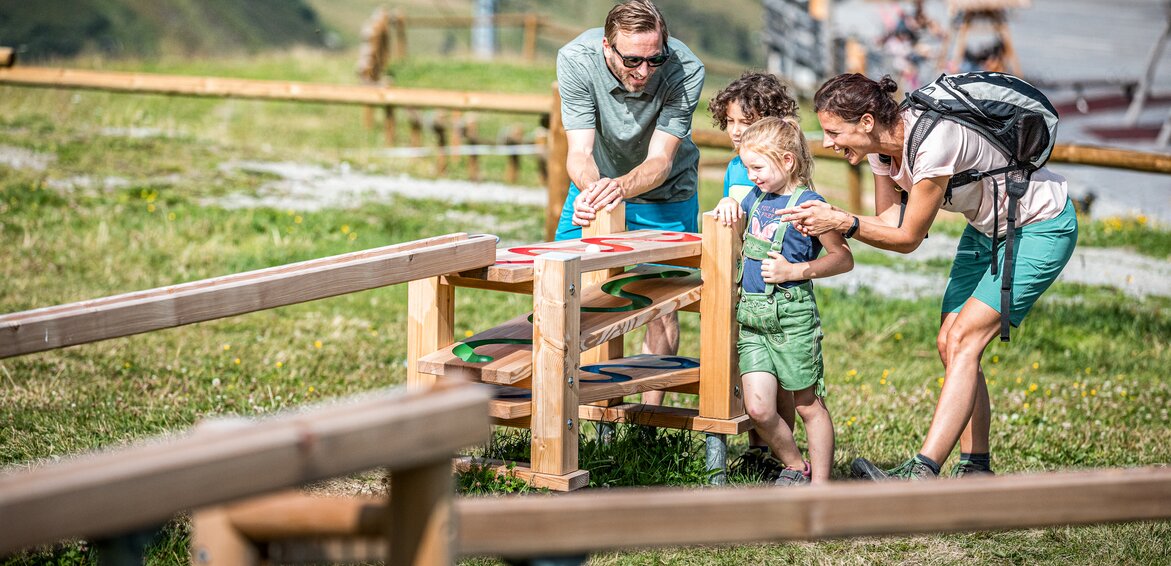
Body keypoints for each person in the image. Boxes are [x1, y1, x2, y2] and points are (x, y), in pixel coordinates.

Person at [780, 73, 1078, 480]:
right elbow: (889, 218)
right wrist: (830, 221)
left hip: (1040, 225)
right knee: (948, 342)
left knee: (964, 339)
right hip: (988, 227)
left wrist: (841, 220)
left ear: (867, 122)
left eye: (834, 132)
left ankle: (921, 472)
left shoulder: (934, 140)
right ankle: (976, 469)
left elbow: (908, 238)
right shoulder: (881, 151)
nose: (829, 142)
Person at [554, 0, 704, 405]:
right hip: (597, 184)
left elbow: (659, 162)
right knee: (561, 288)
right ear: (607, 46)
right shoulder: (575, 59)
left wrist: (616, 188)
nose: (643, 72)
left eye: (654, 59)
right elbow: (579, 154)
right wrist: (593, 190)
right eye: (633, 60)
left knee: (662, 303)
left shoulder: (685, 69)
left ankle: (646, 421)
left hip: (666, 195)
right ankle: (578, 407)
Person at [712, 117, 854, 486]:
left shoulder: (810, 206)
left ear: (787, 161)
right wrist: (729, 200)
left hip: (792, 317)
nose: (751, 174)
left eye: (757, 167)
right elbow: (734, 213)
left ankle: (819, 487)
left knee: (808, 405)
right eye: (746, 167)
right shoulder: (754, 199)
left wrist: (796, 271)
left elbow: (843, 258)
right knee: (758, 407)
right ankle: (794, 465)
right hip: (753, 320)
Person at [708, 72, 801, 479]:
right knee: (752, 365)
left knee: (782, 376)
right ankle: (758, 449)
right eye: (729, 122)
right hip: (746, 281)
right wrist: (728, 202)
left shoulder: (785, 164)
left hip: (780, 285)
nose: (734, 131)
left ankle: (782, 457)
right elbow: (738, 206)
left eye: (743, 123)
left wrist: (735, 200)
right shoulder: (735, 165)